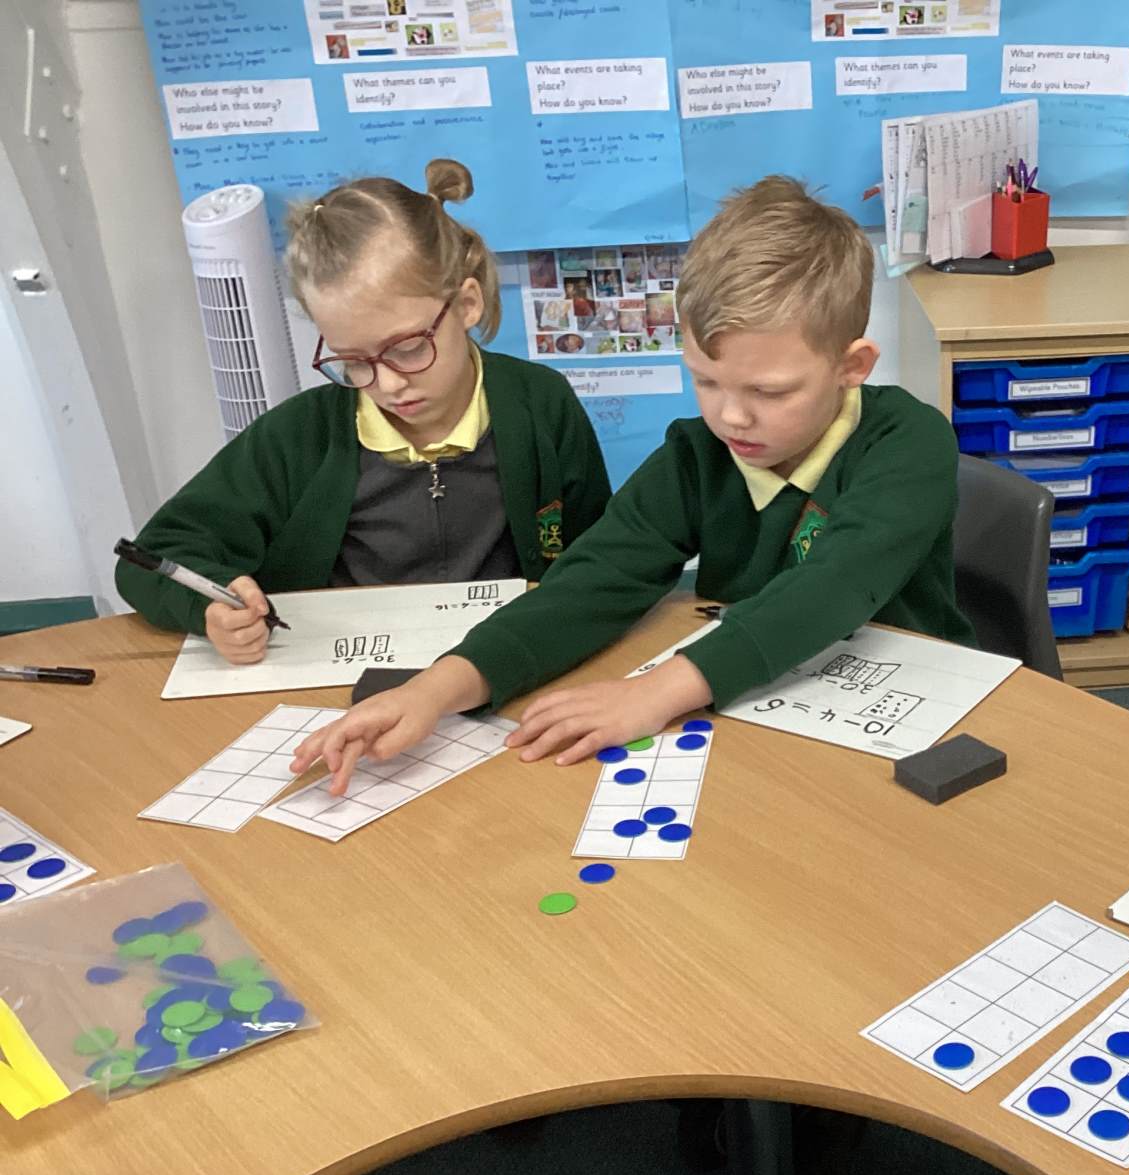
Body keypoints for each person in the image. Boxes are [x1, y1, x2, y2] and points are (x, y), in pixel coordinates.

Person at [293, 174, 973, 788]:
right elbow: (592, 580)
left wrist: (657, 691)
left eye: (769, 391)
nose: (730, 417)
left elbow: (833, 586)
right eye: (706, 381)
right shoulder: (697, 457)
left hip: (917, 721)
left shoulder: (909, 442)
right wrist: (435, 689)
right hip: (764, 717)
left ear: (853, 366)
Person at [116, 158, 609, 663]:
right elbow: (154, 555)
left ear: (466, 304)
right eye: (353, 361)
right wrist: (209, 608)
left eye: (409, 348)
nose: (388, 384)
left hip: (500, 663)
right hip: (341, 676)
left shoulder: (541, 403)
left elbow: (597, 556)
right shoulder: (297, 436)